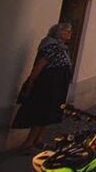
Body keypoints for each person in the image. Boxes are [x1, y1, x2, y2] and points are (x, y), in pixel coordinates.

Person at [14, 23, 74, 154]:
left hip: (57, 85)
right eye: (66, 31)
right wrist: (32, 81)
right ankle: (28, 143)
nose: (69, 34)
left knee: (50, 113)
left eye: (69, 31)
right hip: (47, 84)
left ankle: (39, 140)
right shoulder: (50, 46)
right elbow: (40, 65)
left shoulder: (62, 47)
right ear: (58, 33)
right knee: (41, 112)